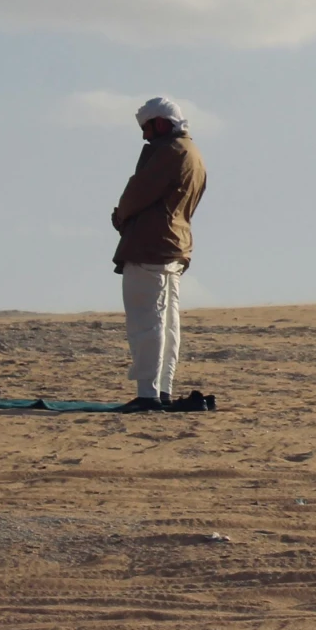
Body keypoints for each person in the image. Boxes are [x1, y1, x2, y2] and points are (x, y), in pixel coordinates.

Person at [112, 96, 207, 412]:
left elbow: (137, 194)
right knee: (166, 322)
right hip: (175, 246)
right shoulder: (194, 155)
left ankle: (148, 394)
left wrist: (121, 216)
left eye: (147, 126)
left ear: (162, 122)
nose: (144, 135)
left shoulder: (168, 151)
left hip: (150, 246)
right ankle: (161, 390)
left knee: (146, 322)